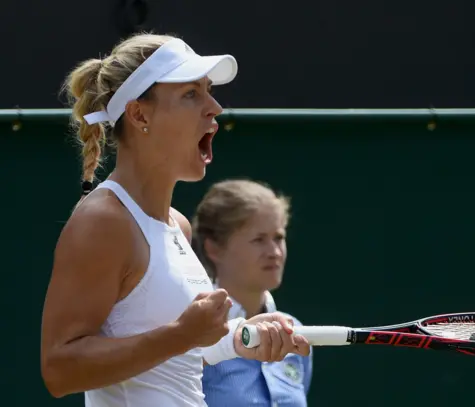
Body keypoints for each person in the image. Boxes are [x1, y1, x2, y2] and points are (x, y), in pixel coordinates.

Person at [39, 33, 310, 407]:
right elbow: (59, 370)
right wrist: (182, 334)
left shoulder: (177, 225)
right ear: (139, 114)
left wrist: (237, 338)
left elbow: (178, 355)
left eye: (209, 91)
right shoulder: (104, 221)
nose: (214, 107)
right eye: (191, 94)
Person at [191, 179, 312, 407]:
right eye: (258, 240)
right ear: (214, 248)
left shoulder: (295, 331)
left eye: (279, 238)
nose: (274, 252)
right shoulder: (196, 329)